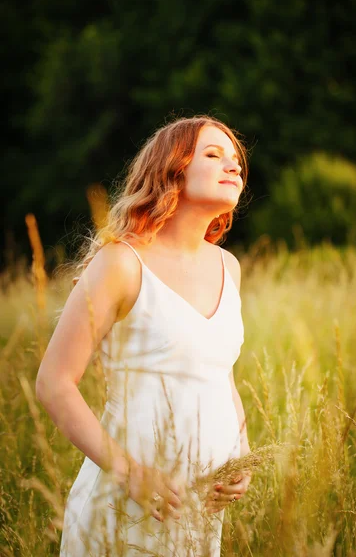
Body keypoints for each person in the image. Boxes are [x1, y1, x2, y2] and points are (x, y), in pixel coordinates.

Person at [36, 115, 252, 556]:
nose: (234, 167)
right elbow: (53, 383)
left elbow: (220, 375)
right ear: (173, 169)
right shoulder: (122, 263)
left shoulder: (229, 268)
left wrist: (240, 453)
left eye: (236, 160)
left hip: (198, 511)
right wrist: (132, 475)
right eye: (214, 155)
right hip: (123, 509)